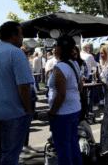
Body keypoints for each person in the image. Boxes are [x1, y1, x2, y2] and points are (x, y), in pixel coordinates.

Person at [0, 21, 34, 164]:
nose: (22, 37)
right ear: (13, 35)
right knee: (10, 154)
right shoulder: (16, 53)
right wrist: (28, 109)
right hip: (12, 113)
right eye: (21, 34)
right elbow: (24, 87)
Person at [47, 34, 83, 165]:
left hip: (62, 113)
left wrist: (52, 112)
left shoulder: (60, 67)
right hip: (75, 109)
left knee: (63, 147)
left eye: (56, 46)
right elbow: (80, 87)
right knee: (73, 143)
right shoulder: (74, 64)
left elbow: (60, 95)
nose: (54, 49)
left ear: (60, 48)